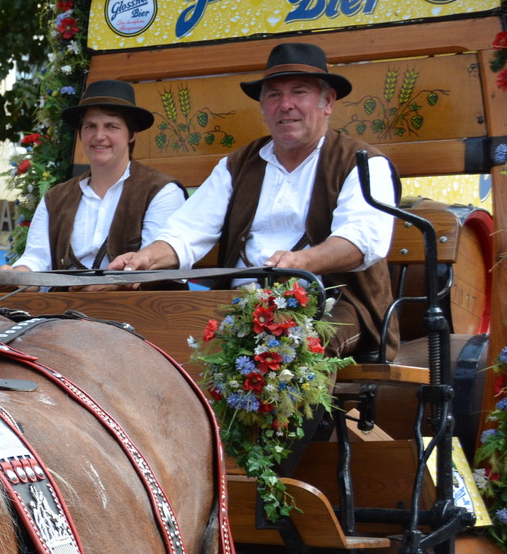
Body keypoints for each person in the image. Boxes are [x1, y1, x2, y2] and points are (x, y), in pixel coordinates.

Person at [108, 42, 399, 358]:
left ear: (327, 101)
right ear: (262, 106)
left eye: (299, 92)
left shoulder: (362, 162)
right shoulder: (238, 164)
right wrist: (143, 260)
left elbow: (361, 239)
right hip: (239, 303)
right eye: (274, 95)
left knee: (288, 345)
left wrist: (301, 262)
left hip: (331, 303)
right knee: (162, 334)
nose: (285, 105)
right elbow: (186, 232)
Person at [5, 79, 185, 275]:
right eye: (90, 126)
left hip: (135, 303)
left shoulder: (161, 191)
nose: (99, 136)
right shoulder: (55, 198)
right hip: (62, 303)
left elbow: (153, 269)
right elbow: (36, 260)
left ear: (131, 134)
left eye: (111, 126)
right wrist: (15, 275)